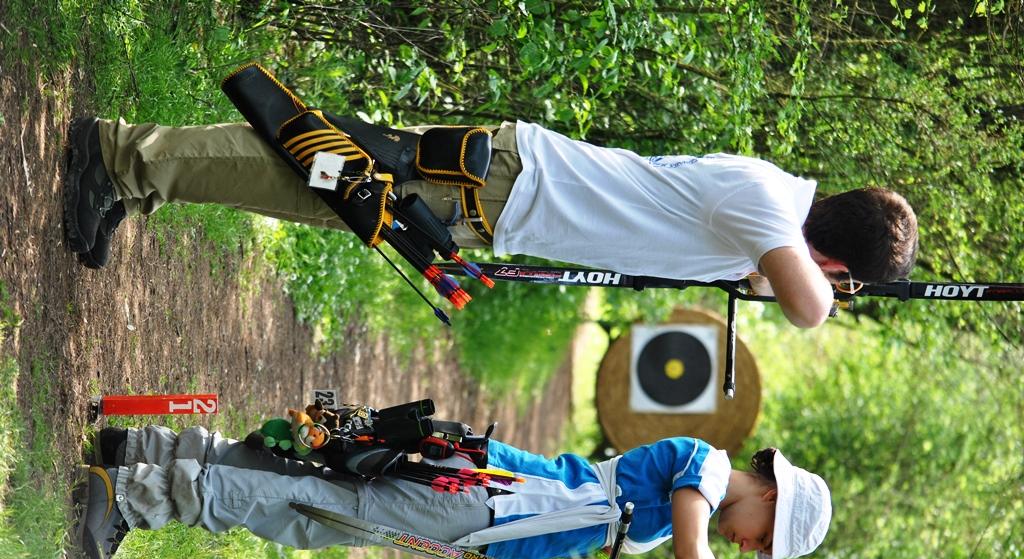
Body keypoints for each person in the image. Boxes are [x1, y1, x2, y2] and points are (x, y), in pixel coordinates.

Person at [63, 114, 918, 328]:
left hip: (496, 203)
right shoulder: (770, 204)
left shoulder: (768, 219)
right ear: (835, 263)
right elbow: (807, 307)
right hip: (495, 183)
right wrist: (825, 291)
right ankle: (117, 153)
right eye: (843, 280)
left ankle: (138, 183)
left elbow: (773, 279)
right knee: (304, 175)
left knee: (310, 192)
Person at [74, 421, 831, 559]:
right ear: (769, 492)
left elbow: (579, 530)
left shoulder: (681, 509)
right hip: (490, 498)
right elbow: (698, 553)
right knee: (317, 509)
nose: (748, 548)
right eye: (763, 538)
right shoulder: (704, 468)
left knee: (321, 493)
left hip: (493, 513)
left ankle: (145, 450)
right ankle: (129, 497)